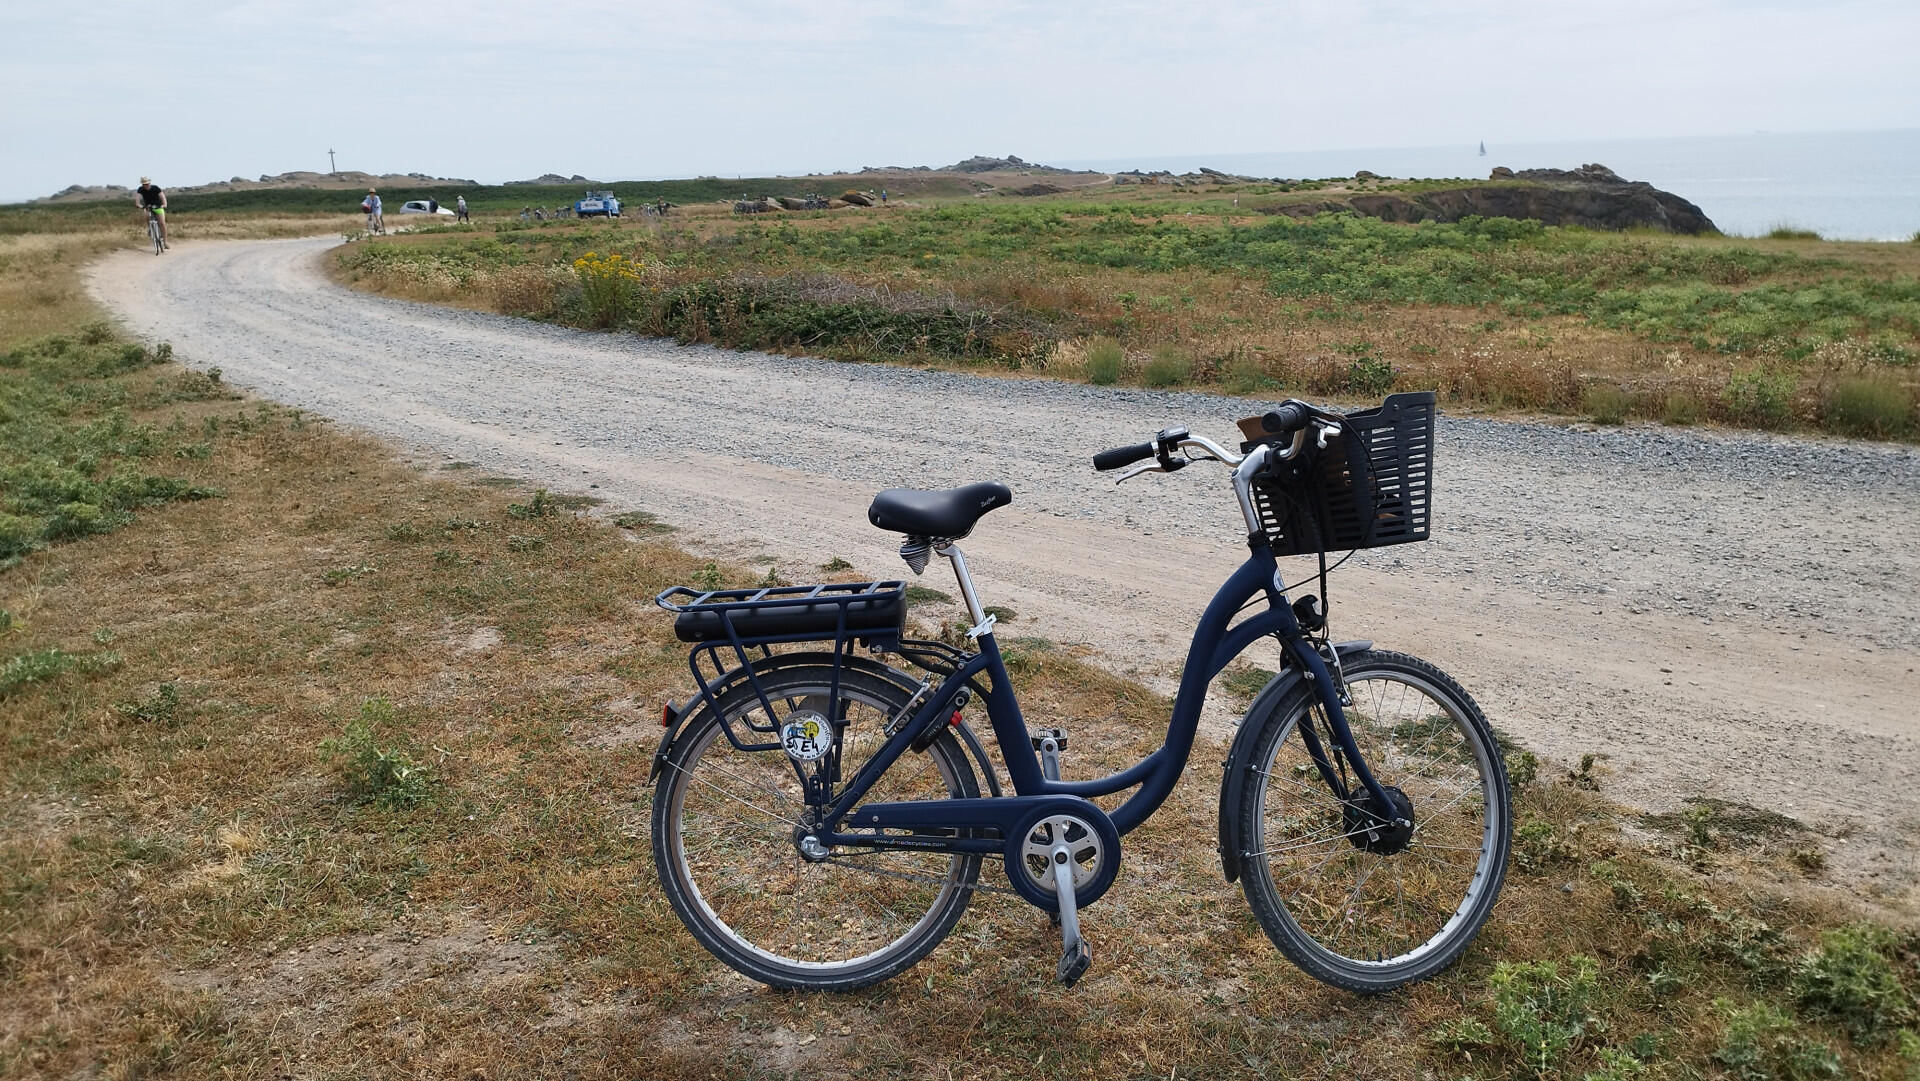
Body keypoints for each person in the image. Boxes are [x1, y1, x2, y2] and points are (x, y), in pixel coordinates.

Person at [135, 176, 168, 247]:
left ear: (149, 183)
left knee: (162, 223)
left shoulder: (155, 188)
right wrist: (139, 205)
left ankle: (165, 242)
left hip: (158, 206)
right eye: (144, 184)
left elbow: (162, 197)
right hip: (148, 206)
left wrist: (164, 204)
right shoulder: (140, 189)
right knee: (146, 215)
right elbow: (137, 199)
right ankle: (150, 228)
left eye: (147, 184)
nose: (146, 185)